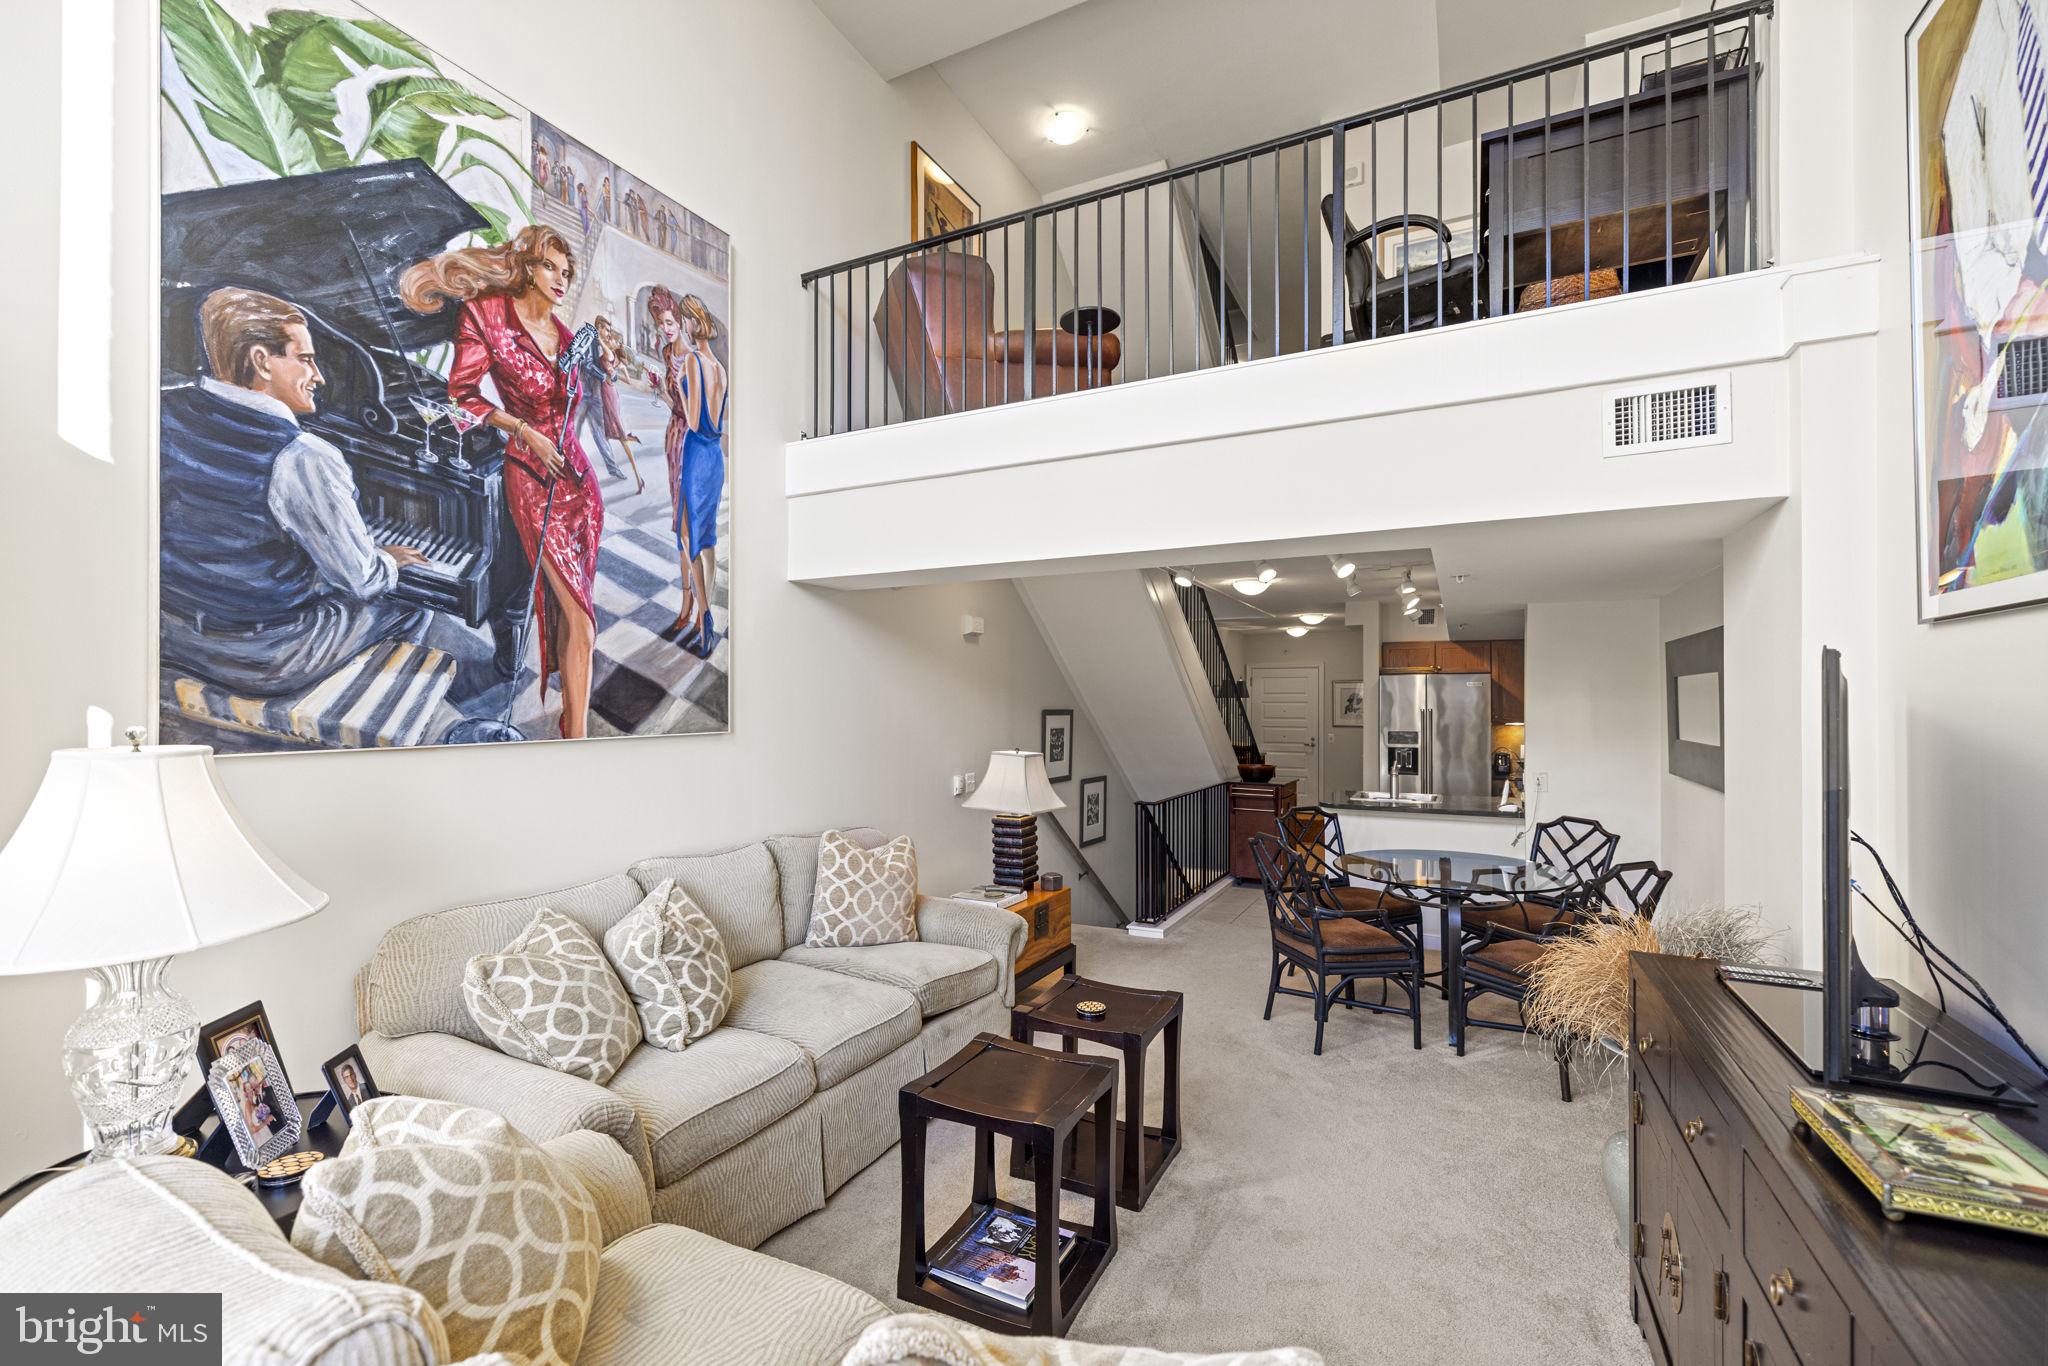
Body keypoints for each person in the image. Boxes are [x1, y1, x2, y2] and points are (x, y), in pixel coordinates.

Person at [159, 287, 432, 697]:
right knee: (413, 602)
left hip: (170, 632)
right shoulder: (303, 456)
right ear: (261, 362)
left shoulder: (162, 410)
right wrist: (385, 560)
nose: (318, 376)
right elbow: (361, 580)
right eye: (305, 359)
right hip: (263, 657)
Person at [401, 225, 603, 739]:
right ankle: (578, 739)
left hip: (579, 485)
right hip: (531, 480)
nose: (561, 279)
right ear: (529, 267)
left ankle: (570, 724)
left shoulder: (567, 335)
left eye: (567, 271)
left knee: (571, 609)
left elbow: (572, 412)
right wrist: (524, 432)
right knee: (582, 621)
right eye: (552, 267)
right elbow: (462, 395)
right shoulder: (487, 317)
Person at [648, 286, 725, 655]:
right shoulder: (719, 368)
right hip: (715, 459)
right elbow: (716, 421)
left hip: (695, 454)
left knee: (690, 534)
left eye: (686, 320)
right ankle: (702, 614)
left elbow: (694, 420)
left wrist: (677, 389)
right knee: (703, 536)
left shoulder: (694, 363)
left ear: (693, 324)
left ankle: (705, 616)